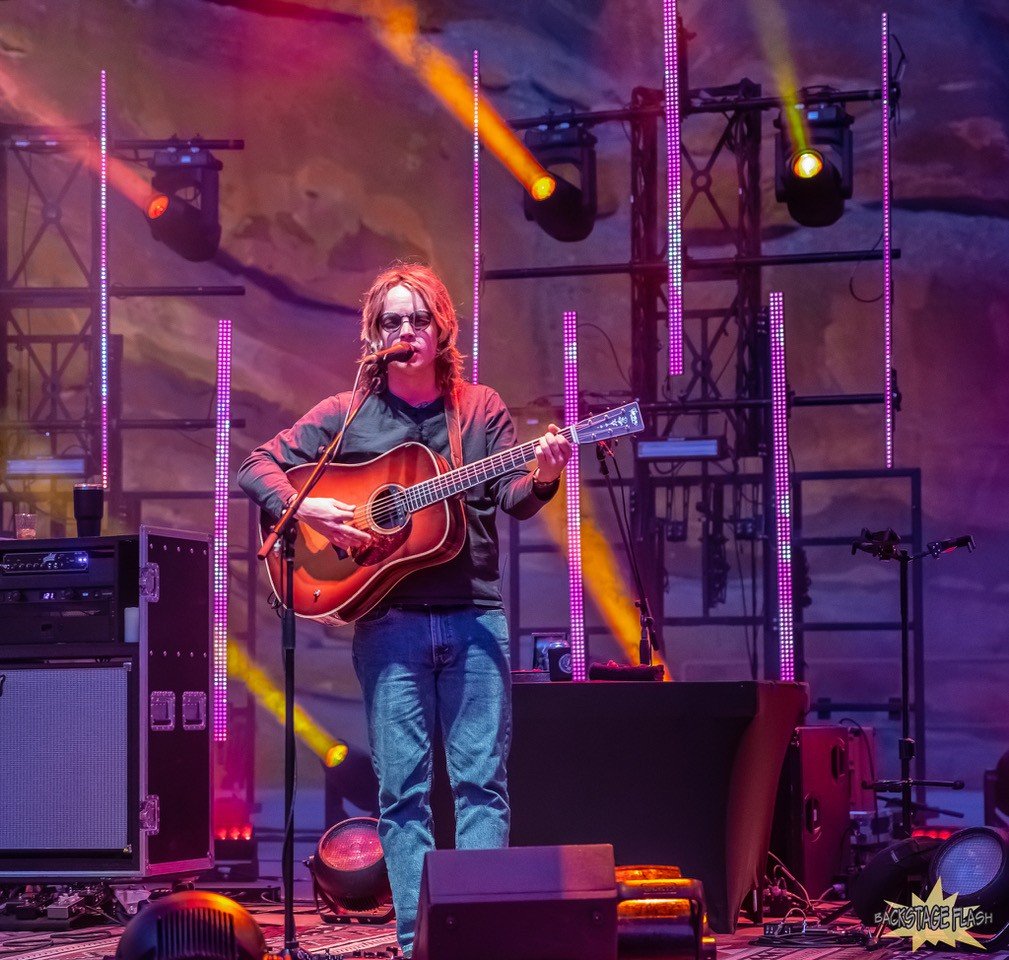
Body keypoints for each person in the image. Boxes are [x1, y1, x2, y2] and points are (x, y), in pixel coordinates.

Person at [237, 262, 572, 955]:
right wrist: (315, 509)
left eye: (417, 318)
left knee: (481, 785)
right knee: (403, 794)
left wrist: (543, 472)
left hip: (472, 615)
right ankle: (422, 940)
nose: (405, 331)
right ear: (374, 335)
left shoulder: (478, 410)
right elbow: (257, 465)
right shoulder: (347, 414)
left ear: (441, 328)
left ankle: (477, 936)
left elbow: (509, 498)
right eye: (391, 321)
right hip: (386, 624)